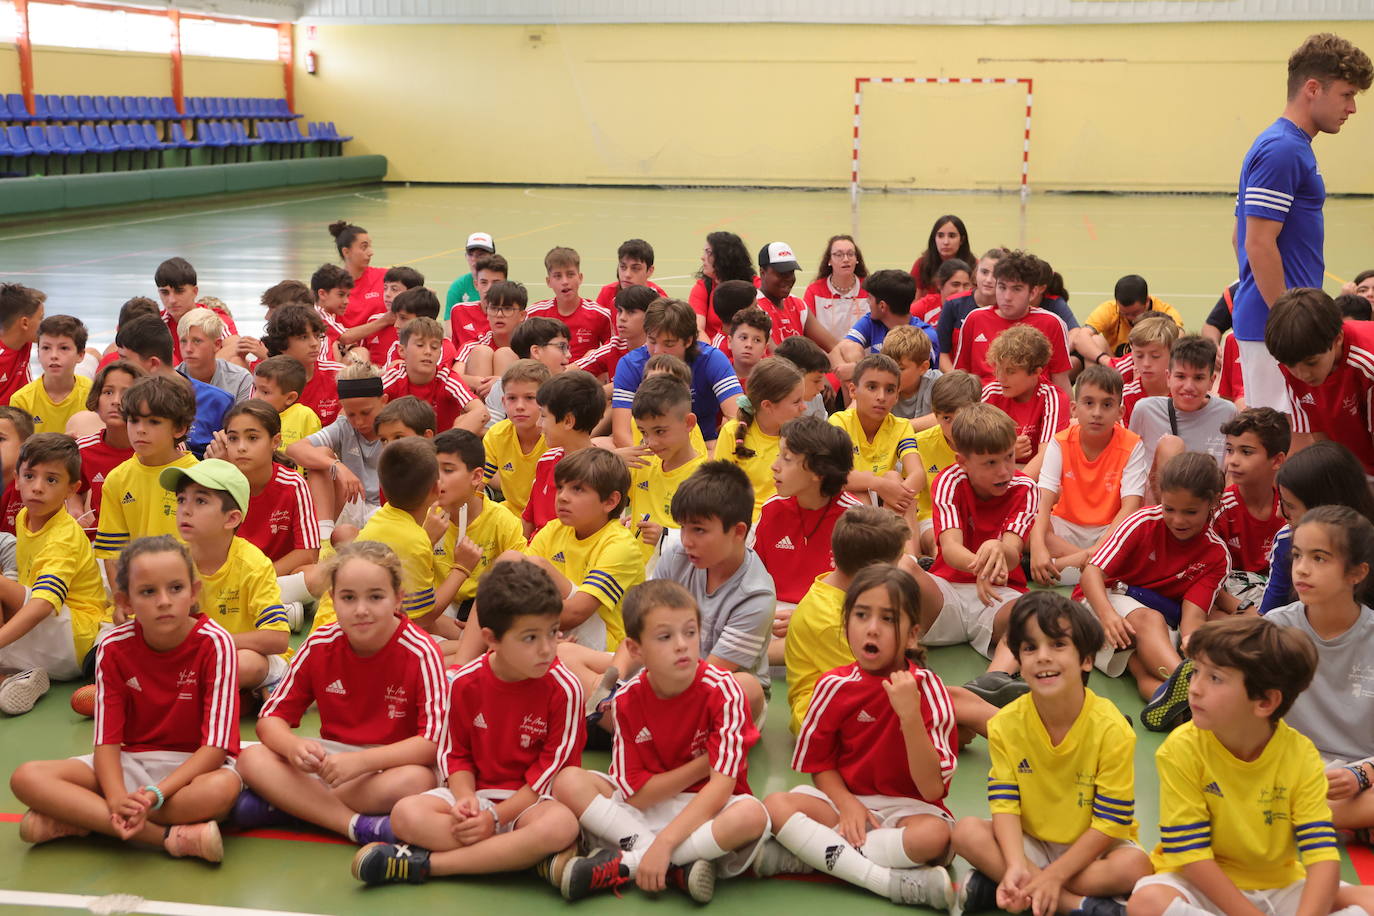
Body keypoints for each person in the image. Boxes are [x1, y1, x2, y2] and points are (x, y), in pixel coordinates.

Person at [10, 535, 239, 863]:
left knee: (222, 791)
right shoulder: (113, 647)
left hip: (190, 771)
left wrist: (157, 794)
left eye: (175, 588)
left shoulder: (216, 643)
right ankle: (168, 838)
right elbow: (107, 741)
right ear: (126, 602)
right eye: (148, 591)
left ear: (193, 592)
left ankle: (83, 819)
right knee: (27, 777)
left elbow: (214, 750)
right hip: (126, 765)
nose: (164, 601)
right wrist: (117, 796)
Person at [354, 560, 583, 886]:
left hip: (532, 804)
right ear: (491, 638)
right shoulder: (464, 683)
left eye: (551, 632)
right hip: (475, 798)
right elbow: (454, 754)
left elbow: (549, 775)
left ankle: (427, 866)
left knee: (560, 826)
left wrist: (496, 817)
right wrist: (465, 799)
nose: (547, 649)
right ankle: (524, 859)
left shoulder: (565, 687)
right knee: (406, 814)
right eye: (530, 638)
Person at [1129, 615, 1374, 916]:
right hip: (1200, 886)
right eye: (1196, 672)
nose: (1194, 688)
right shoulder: (1181, 749)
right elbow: (1190, 854)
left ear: (1265, 702)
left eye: (1215, 678)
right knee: (1147, 902)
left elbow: (1321, 854)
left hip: (1280, 884)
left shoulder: (1300, 755)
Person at [550, 580, 769, 903]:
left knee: (753, 815)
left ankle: (631, 863)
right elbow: (637, 796)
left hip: (708, 811)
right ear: (635, 650)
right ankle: (681, 865)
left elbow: (722, 787)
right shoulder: (625, 700)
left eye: (690, 632)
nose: (682, 645)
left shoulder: (725, 690)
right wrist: (704, 764)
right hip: (643, 812)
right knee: (567, 780)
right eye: (665, 637)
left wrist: (665, 843)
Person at [761, 564, 957, 908]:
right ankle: (889, 881)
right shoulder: (833, 686)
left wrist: (910, 716)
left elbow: (931, 789)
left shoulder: (931, 690)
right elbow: (820, 764)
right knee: (775, 804)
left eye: (887, 619)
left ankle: (810, 857)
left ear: (912, 635)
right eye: (862, 615)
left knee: (937, 838)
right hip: (844, 805)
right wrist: (848, 804)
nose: (872, 629)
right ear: (846, 624)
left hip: (910, 811)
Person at [953, 592, 1152, 916]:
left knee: (1136, 866)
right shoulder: (1006, 724)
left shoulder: (1112, 728)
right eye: (1030, 648)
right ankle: (1075, 906)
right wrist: (1017, 863)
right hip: (1032, 843)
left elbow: (1111, 821)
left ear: (1086, 659)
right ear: (1019, 659)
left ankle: (1003, 888)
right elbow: (1005, 803)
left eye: (1058, 645)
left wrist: (1053, 875)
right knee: (965, 833)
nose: (1042, 657)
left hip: (1095, 848)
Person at [236, 540, 445, 847]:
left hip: (389, 765)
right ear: (333, 599)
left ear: (398, 599)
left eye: (375, 597)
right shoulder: (321, 643)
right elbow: (270, 720)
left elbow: (432, 742)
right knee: (252, 758)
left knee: (418, 779)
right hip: (330, 763)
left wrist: (363, 763)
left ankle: (289, 805)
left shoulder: (421, 651)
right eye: (349, 597)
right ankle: (355, 824)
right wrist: (294, 747)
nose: (361, 610)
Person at [1232, 34, 1372, 412]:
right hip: (1279, 332)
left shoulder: (1286, 146)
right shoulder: (1283, 149)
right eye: (1346, 94)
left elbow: (1238, 235)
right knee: (1285, 445)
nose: (1353, 108)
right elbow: (1256, 243)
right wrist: (1290, 327)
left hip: (1275, 325)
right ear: (1313, 88)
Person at [1079, 453, 1230, 719]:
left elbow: (1192, 616)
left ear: (1213, 502)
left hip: (1153, 629)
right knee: (1149, 620)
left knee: (1140, 665)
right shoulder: (1141, 523)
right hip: (1101, 605)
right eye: (1169, 509)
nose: (1178, 520)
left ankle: (1183, 713)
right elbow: (1092, 573)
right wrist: (1107, 616)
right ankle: (1199, 689)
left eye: (1190, 512)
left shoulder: (1217, 555)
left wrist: (1189, 641)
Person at [1265, 507, 1374, 834]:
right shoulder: (1276, 630)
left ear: (1356, 573)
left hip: (1358, 779)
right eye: (1298, 556)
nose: (1302, 569)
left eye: (1320, 558)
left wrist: (1363, 773)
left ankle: (1297, 816)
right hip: (1287, 771)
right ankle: (1345, 823)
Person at [921, 404, 1037, 686]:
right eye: (991, 463)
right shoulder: (949, 480)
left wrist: (997, 550)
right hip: (947, 592)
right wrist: (983, 566)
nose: (1005, 470)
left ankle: (992, 682)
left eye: (1009, 457)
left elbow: (1011, 553)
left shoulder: (1026, 488)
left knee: (1037, 613)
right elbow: (949, 550)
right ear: (962, 462)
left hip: (1001, 595)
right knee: (897, 572)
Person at [654, 461, 777, 721]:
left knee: (747, 687)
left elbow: (711, 675)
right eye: (683, 527)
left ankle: (643, 725)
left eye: (699, 530)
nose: (687, 540)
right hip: (666, 671)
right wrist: (611, 681)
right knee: (570, 654)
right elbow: (648, 631)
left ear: (738, 531)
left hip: (717, 688)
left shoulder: (755, 594)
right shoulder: (677, 555)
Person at [310, 438, 463, 638]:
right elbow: (423, 619)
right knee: (460, 652)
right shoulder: (416, 540)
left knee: (460, 640)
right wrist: (461, 569)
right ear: (436, 489)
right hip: (351, 636)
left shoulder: (382, 515)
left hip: (329, 627)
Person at [0, 434, 108, 714]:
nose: (37, 487)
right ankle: (12, 680)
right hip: (48, 636)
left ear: (72, 489)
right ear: (16, 477)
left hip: (74, 637)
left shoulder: (63, 535)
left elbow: (42, 604)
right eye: (29, 476)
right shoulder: (25, 518)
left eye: (51, 480)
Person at [160, 458, 289, 692]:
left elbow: (278, 638)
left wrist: (211, 643)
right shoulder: (170, 559)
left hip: (241, 655)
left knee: (247, 663)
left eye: (200, 501)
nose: (185, 510)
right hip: (190, 659)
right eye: (181, 500)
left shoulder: (253, 564)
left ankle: (169, 691)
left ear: (231, 518)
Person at [782, 507, 907, 734]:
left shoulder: (847, 596)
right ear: (874, 571)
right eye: (896, 565)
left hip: (857, 702)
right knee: (946, 712)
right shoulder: (832, 621)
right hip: (823, 720)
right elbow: (872, 687)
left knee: (954, 702)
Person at [514, 448, 644, 652]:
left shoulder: (620, 545)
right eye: (560, 487)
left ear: (610, 501)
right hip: (551, 624)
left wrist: (517, 629)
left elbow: (576, 613)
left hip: (608, 646)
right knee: (510, 561)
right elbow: (512, 587)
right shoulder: (553, 529)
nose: (562, 497)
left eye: (577, 489)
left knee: (532, 565)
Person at [1029, 365, 1147, 588]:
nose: (1097, 413)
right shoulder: (1060, 441)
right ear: (1074, 408)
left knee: (1139, 535)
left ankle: (1065, 565)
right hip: (1065, 529)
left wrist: (1099, 547)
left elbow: (1130, 506)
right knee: (1026, 527)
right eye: (1089, 403)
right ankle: (1095, 565)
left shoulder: (1132, 445)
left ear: (1120, 413)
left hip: (1109, 531)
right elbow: (1043, 498)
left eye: (1107, 404)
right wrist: (1037, 548)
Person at [92, 375, 199, 577]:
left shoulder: (199, 477)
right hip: (140, 589)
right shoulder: (117, 479)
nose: (140, 430)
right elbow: (114, 554)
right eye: (134, 420)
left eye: (153, 422)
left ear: (179, 429)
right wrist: (122, 604)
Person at [1265, 287, 1374, 477]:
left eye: (1311, 363)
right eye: (1291, 365)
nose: (1302, 374)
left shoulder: (1368, 364)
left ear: (1337, 339)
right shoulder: (1292, 358)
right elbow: (1318, 432)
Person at [756, 414, 860, 610]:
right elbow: (751, 580)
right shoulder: (772, 509)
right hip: (772, 614)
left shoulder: (854, 519)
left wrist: (804, 618)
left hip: (828, 618)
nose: (775, 466)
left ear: (818, 472)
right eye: (778, 455)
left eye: (786, 458)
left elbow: (863, 598)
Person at [207, 400, 319, 580]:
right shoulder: (216, 485)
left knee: (313, 575)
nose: (241, 447)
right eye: (233, 438)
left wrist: (259, 580)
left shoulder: (292, 483)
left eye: (252, 438)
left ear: (275, 441)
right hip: (231, 581)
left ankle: (284, 607)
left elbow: (308, 553)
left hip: (277, 577)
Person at [1259, 441, 1374, 614]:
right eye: (1297, 555)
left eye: (1289, 506)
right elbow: (1269, 618)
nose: (1279, 514)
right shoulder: (1286, 540)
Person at [611, 298, 741, 448]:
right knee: (601, 445)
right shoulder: (630, 364)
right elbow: (622, 435)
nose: (658, 351)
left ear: (688, 341)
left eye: (669, 344)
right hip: (649, 448)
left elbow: (737, 417)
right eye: (652, 341)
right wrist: (655, 464)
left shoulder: (711, 359)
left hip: (703, 445)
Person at [430, 429, 524, 626]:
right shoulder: (424, 516)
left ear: (476, 477)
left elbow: (522, 582)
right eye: (432, 470)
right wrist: (425, 539)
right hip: (438, 611)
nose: (437, 480)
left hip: (485, 612)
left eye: (447, 470)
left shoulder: (502, 521)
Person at [286, 363, 388, 538]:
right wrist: (338, 466)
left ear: (384, 401)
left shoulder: (395, 428)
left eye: (366, 412)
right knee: (322, 455)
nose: (359, 422)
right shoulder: (343, 426)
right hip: (353, 502)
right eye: (351, 414)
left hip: (385, 509)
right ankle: (323, 538)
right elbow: (294, 449)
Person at [115, 315, 230, 460]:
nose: (119, 367)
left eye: (124, 360)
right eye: (134, 420)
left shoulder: (218, 402)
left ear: (153, 363)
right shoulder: (119, 399)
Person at [954, 251, 1072, 392]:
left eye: (1017, 289)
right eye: (1002, 287)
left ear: (1033, 292)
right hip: (984, 408)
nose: (1007, 297)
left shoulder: (1051, 323)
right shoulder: (974, 319)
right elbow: (960, 377)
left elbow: (1061, 382)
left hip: (1033, 408)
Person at [1213, 408, 1290, 607]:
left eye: (1246, 452)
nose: (1233, 461)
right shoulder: (1220, 510)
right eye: (1229, 450)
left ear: (1277, 460)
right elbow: (1205, 578)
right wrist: (1240, 609)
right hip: (1230, 602)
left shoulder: (1290, 508)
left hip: (1277, 601)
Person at [829, 354, 923, 515]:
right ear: (853, 391)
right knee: (860, 489)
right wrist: (878, 484)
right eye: (872, 387)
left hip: (888, 502)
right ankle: (872, 538)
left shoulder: (901, 426)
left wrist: (899, 494)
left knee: (894, 478)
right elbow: (833, 475)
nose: (881, 397)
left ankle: (903, 541)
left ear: (897, 396)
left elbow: (918, 474)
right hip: (850, 505)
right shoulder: (839, 423)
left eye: (890, 390)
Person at [715, 357, 807, 522]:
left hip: (788, 521)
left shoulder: (801, 437)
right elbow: (721, 492)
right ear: (767, 406)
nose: (804, 407)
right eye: (796, 402)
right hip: (744, 523)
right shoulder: (732, 432)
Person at [1128, 336, 1236, 477]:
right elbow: (1130, 464)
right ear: (1168, 377)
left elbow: (1233, 469)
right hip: (1158, 496)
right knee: (1170, 446)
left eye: (1198, 378)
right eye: (1180, 377)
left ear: (1211, 381)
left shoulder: (1227, 413)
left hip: (1210, 495)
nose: (1188, 387)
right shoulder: (1145, 410)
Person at [626, 374, 705, 561]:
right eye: (643, 432)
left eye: (660, 431)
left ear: (688, 423)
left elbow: (709, 541)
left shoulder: (704, 479)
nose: (651, 442)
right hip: (633, 575)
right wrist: (612, 458)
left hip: (673, 583)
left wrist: (666, 536)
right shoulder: (641, 461)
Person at [522, 370, 605, 535]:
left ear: (568, 421)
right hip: (535, 551)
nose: (538, 424)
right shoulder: (546, 460)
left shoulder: (600, 472)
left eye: (544, 416)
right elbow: (529, 519)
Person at [981, 325, 1070, 474]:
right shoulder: (992, 392)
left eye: (1010, 371)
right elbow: (973, 447)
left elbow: (1047, 456)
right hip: (996, 474)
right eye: (998, 368)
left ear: (1036, 372)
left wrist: (1018, 489)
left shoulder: (1053, 397)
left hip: (1035, 479)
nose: (1000, 378)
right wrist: (1006, 452)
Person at [913, 371, 983, 555]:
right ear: (935, 416)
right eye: (946, 418)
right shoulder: (920, 444)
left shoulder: (987, 440)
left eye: (960, 417)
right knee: (939, 544)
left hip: (979, 515)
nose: (954, 426)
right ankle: (939, 567)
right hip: (932, 517)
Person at [381, 317, 486, 433]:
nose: (428, 352)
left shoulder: (447, 378)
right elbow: (366, 402)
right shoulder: (394, 377)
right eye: (420, 345)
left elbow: (481, 412)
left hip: (441, 447)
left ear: (440, 353)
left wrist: (446, 441)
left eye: (434, 347)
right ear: (402, 351)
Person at [71, 360, 143, 530]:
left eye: (127, 393)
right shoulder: (84, 449)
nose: (116, 401)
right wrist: (75, 508)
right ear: (96, 398)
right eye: (108, 392)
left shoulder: (156, 449)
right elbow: (71, 485)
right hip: (101, 541)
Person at [836, 269, 939, 380]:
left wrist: (861, 370)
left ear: (882, 306)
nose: (867, 302)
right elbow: (845, 346)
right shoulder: (873, 321)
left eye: (870, 298)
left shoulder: (925, 337)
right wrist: (858, 366)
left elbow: (902, 377)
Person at [482, 359, 550, 516]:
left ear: (547, 401)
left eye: (530, 398)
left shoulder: (556, 438)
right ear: (503, 402)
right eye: (512, 398)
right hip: (511, 514)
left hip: (550, 518)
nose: (519, 406)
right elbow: (478, 484)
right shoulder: (496, 435)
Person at [1070, 275, 1184, 367]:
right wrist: (1106, 360)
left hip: (1149, 366)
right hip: (1117, 366)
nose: (1130, 317)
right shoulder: (1109, 309)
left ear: (1147, 301)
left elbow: (1179, 338)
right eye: (1124, 313)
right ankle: (1097, 390)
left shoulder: (1165, 311)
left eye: (1135, 313)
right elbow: (1080, 338)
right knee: (1095, 340)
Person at [262, 305, 342, 429]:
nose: (314, 344)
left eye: (317, 336)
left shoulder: (339, 375)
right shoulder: (265, 379)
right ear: (281, 344)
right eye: (304, 337)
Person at [527, 247, 613, 361]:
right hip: (546, 376)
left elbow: (612, 354)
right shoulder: (535, 315)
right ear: (548, 282)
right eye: (558, 276)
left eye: (570, 274)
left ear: (580, 278)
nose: (565, 282)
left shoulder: (600, 315)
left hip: (584, 376)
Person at [11, 315, 91, 435]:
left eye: (63, 348)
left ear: (80, 355)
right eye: (46, 348)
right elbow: (19, 448)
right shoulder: (21, 400)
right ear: (38, 354)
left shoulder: (91, 393)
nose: (53, 355)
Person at [755, 241, 838, 352]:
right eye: (781, 273)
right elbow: (775, 358)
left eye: (791, 272)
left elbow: (833, 346)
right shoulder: (754, 307)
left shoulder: (799, 305)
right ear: (762, 272)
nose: (788, 278)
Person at [153, 258, 237, 367]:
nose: (172, 300)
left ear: (195, 291)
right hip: (172, 381)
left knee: (237, 361)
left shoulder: (215, 319)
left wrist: (193, 375)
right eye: (165, 293)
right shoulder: (155, 322)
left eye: (179, 291)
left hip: (207, 381)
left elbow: (235, 345)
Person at [937, 248, 1005, 371]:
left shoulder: (1008, 309)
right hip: (959, 380)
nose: (989, 280)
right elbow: (942, 353)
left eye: (996, 275)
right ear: (975, 273)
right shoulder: (953, 304)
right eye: (984, 272)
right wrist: (957, 381)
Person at [454, 280, 528, 392]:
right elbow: (453, 378)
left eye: (507, 309)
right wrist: (480, 382)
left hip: (516, 405)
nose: (499, 314)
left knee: (505, 354)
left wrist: (501, 382)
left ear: (522, 315)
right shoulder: (474, 345)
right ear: (487, 314)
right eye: (493, 308)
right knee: (481, 352)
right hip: (479, 403)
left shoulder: (531, 346)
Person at [576, 284, 656, 385]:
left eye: (631, 312)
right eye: (619, 311)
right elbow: (573, 371)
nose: (622, 318)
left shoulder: (658, 351)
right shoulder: (615, 345)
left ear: (649, 316)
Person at [175, 308, 252, 404]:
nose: (188, 349)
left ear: (217, 345)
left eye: (197, 341)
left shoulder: (240, 379)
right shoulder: (169, 381)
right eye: (183, 341)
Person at [690, 230, 756, 341]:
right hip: (713, 348)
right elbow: (698, 329)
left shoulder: (753, 285)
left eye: (708, 252)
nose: (703, 257)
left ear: (724, 257)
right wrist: (714, 354)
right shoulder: (704, 286)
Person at [803, 234, 869, 343]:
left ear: (857, 259)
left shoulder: (870, 289)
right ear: (829, 260)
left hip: (863, 357)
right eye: (839, 255)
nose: (846, 259)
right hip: (826, 357)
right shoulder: (814, 291)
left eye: (850, 254)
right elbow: (808, 332)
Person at [1120, 314, 1180, 425]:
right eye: (1139, 355)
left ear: (1173, 354)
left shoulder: (1183, 392)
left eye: (1155, 356)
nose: (1146, 364)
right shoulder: (1126, 396)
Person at [251, 355, 322, 449]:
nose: (255, 397)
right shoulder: (250, 415)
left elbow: (314, 455)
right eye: (255, 388)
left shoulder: (304, 416)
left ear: (290, 398)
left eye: (265, 392)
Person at [330, 220, 386, 328]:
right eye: (364, 247)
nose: (371, 252)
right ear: (346, 252)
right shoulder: (332, 287)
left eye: (370, 246)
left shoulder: (384, 277)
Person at [450, 253, 509, 347]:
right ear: (476, 284)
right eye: (484, 282)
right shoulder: (459, 311)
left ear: (505, 283)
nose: (489, 288)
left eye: (496, 282)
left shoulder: (514, 316)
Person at [911, 215, 975, 298]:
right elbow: (912, 302)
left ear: (962, 240)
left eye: (952, 236)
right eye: (940, 236)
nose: (946, 242)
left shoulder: (975, 266)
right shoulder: (922, 264)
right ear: (934, 239)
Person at [594, 238, 667, 310]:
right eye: (623, 267)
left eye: (635, 268)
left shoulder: (660, 302)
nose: (627, 274)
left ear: (650, 271)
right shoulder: (607, 293)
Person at [0, 283, 42, 406]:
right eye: (41, 318)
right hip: (9, 419)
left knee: (91, 353)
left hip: (22, 412)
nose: (44, 323)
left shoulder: (24, 341)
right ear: (25, 323)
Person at [443, 232, 496, 316]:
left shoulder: (506, 288)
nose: (474, 259)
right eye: (470, 255)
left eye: (481, 255)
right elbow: (450, 324)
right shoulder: (458, 287)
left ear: (493, 256)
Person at [913, 258, 975, 327]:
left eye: (966, 285)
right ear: (940, 284)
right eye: (955, 284)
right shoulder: (924, 308)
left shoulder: (975, 310)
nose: (961, 290)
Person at [725, 306, 772, 383]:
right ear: (730, 342)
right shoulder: (717, 373)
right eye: (743, 338)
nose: (749, 345)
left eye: (757, 340)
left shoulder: (771, 380)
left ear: (765, 348)